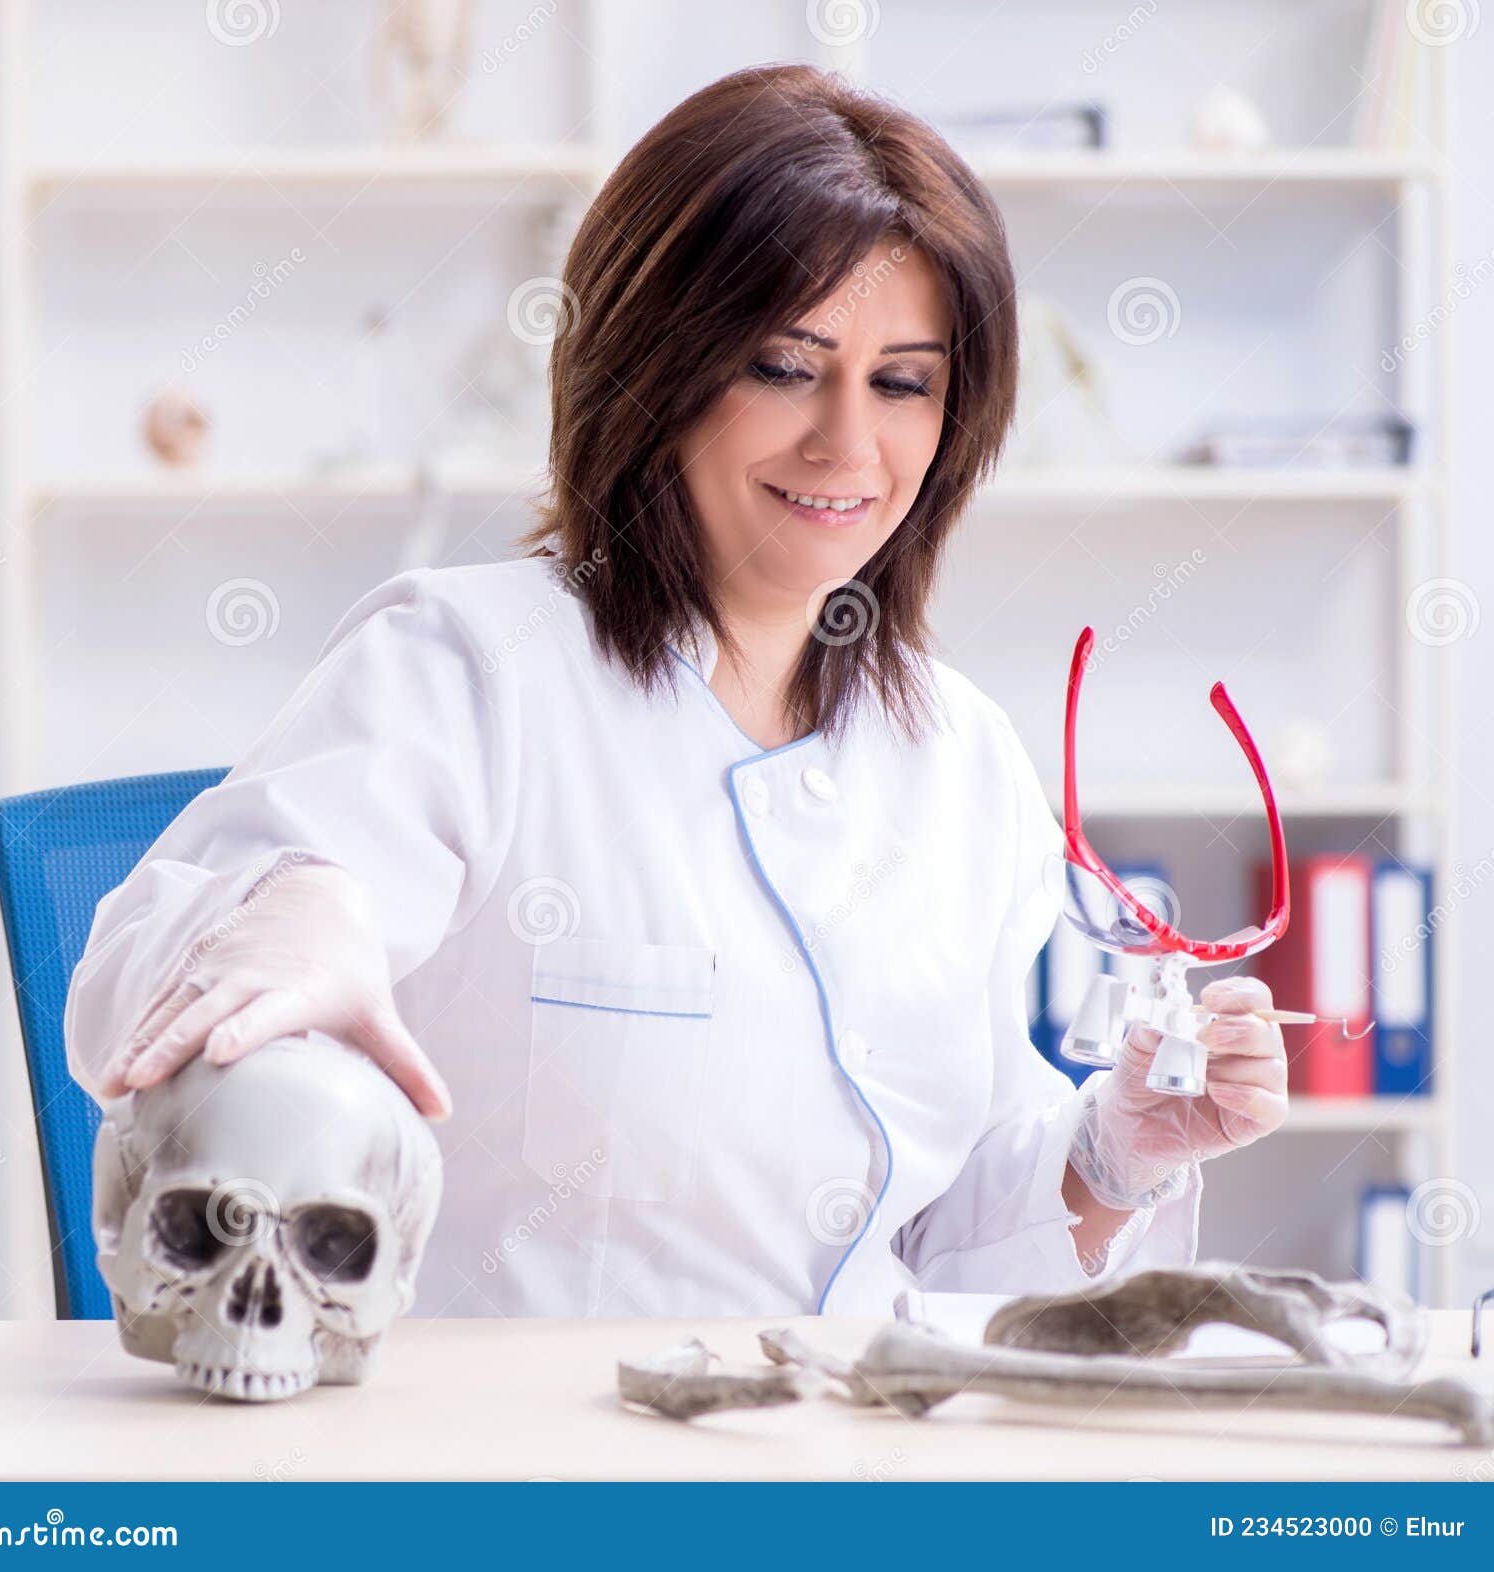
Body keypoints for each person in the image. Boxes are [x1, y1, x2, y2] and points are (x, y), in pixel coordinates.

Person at [64, 63, 1288, 1319]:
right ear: (655, 367)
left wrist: (1108, 1158)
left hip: (855, 1466)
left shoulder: (960, 757)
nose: (846, 444)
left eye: (902, 382)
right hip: (523, 1480)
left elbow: (934, 1243)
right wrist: (288, 908)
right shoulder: (472, 670)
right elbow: (121, 1001)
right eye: (780, 365)